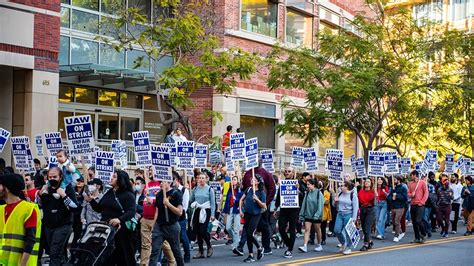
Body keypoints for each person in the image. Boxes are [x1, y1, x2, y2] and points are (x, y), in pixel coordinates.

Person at [86, 170, 136, 266]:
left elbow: (131, 212)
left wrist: (119, 219)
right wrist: (91, 200)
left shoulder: (128, 195)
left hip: (121, 231)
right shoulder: (109, 192)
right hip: (107, 230)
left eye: (114, 176)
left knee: (124, 257)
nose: (111, 178)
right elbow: (99, 208)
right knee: (106, 256)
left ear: (120, 180)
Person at [38, 167, 78, 266]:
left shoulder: (67, 188)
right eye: (50, 177)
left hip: (63, 226)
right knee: (59, 253)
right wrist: (39, 195)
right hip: (48, 226)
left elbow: (75, 208)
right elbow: (39, 206)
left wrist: (64, 195)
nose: (52, 179)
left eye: (54, 177)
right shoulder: (45, 189)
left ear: (60, 177)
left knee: (54, 253)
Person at [234, 162, 276, 256]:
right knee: (247, 228)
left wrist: (266, 202)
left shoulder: (266, 173)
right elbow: (245, 188)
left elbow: (272, 189)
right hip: (249, 208)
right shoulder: (248, 173)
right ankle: (241, 247)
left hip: (261, 208)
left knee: (264, 226)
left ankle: (266, 247)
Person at [0, 173, 42, 266]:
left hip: (21, 263)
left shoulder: (29, 209)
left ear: (7, 188)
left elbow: (30, 241)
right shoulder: (1, 209)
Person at [149, 181, 185, 266]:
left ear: (169, 182)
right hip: (159, 227)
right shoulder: (158, 194)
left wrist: (168, 204)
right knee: (154, 252)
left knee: (176, 251)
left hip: (172, 226)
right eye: (160, 182)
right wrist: (153, 226)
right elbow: (157, 212)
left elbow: (179, 212)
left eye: (163, 182)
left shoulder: (176, 193)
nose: (161, 184)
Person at [239, 174, 266, 263]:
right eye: (251, 179)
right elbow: (241, 200)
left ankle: (259, 247)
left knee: (250, 233)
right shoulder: (249, 189)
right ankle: (250, 255)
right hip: (247, 214)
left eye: (254, 179)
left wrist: (257, 199)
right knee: (247, 234)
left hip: (256, 214)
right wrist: (241, 210)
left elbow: (264, 206)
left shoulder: (261, 192)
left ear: (258, 182)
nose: (251, 180)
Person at [274, 167, 299, 259]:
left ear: (293, 173)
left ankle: (290, 250)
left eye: (289, 171)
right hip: (284, 209)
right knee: (281, 228)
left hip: (294, 210)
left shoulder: (297, 183)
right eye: (286, 171)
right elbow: (278, 197)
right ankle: (289, 243)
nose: (287, 173)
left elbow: (303, 194)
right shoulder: (282, 183)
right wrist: (276, 208)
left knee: (292, 229)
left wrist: (298, 190)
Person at [190, 173, 216, 259]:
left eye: (203, 178)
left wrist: (212, 214)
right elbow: (191, 199)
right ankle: (200, 251)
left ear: (206, 179)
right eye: (199, 178)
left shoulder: (209, 189)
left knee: (203, 230)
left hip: (206, 210)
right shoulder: (195, 189)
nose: (201, 180)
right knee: (197, 230)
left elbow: (212, 203)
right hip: (197, 209)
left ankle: (209, 245)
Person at [298, 178, 324, 253]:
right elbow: (304, 204)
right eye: (307, 184)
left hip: (317, 216)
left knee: (317, 230)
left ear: (313, 185)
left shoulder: (319, 193)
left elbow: (320, 205)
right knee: (306, 229)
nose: (307, 186)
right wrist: (301, 214)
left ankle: (319, 245)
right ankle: (305, 246)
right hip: (308, 215)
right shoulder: (307, 193)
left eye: (309, 185)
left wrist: (317, 215)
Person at [333, 180, 359, 255]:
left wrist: (354, 218)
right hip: (340, 214)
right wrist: (335, 201)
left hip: (349, 214)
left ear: (347, 187)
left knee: (348, 232)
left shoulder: (352, 195)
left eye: (342, 186)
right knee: (337, 230)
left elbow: (355, 207)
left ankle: (348, 247)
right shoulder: (340, 194)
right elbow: (335, 205)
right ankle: (343, 242)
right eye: (340, 186)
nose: (340, 187)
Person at [174, 171, 191, 263]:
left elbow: (185, 206)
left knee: (183, 236)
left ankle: (187, 254)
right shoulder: (170, 190)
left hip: (181, 217)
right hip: (172, 217)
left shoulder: (184, 190)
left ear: (176, 180)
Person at [407, 170, 429, 244]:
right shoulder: (410, 184)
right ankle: (417, 238)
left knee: (418, 220)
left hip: (420, 205)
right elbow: (408, 193)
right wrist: (411, 195)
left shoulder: (422, 182)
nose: (411, 177)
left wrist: (422, 202)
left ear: (415, 175)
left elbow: (426, 193)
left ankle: (424, 234)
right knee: (414, 222)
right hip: (413, 204)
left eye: (411, 175)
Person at [223, 176, 244, 250]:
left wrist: (237, 200)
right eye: (232, 179)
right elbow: (227, 201)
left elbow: (242, 199)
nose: (233, 181)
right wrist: (225, 210)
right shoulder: (229, 189)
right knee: (228, 227)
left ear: (238, 181)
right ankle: (236, 238)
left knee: (236, 228)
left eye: (235, 179)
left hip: (237, 210)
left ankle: (236, 245)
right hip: (230, 209)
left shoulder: (240, 189)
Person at [388, 176, 408, 242]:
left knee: (397, 221)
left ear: (399, 180)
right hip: (393, 207)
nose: (393, 181)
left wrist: (396, 196)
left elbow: (405, 198)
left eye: (395, 179)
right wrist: (392, 198)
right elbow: (388, 197)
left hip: (400, 207)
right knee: (394, 222)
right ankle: (401, 232)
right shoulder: (392, 188)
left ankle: (396, 235)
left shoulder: (403, 188)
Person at [358, 178, 376, 251]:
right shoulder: (361, 191)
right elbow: (361, 200)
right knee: (364, 228)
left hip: (370, 210)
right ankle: (370, 241)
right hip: (363, 210)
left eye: (368, 181)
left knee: (367, 227)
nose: (367, 183)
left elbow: (372, 200)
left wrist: (375, 196)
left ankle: (366, 244)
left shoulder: (373, 192)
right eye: (366, 181)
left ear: (371, 183)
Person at [320, 181, 332, 246]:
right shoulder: (314, 192)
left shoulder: (326, 193)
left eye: (320, 183)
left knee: (323, 227)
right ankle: (312, 239)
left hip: (323, 212)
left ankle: (323, 239)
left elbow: (326, 202)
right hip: (315, 212)